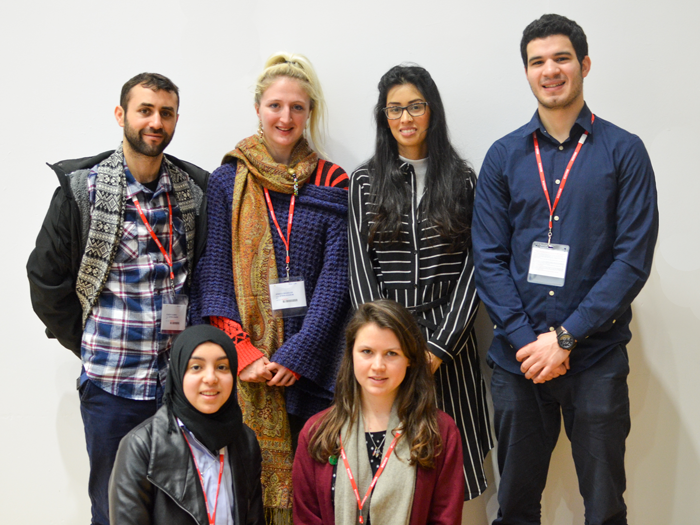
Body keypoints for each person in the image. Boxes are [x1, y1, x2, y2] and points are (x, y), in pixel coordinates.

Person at [472, 14, 658, 525]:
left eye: (561, 58)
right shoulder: (503, 156)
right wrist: (527, 341)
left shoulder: (625, 151)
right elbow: (488, 258)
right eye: (537, 62)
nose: (549, 70)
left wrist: (566, 338)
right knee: (514, 507)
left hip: (595, 357)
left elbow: (632, 260)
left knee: (604, 508)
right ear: (526, 72)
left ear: (585, 65)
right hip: (518, 362)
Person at [27, 73, 208, 525]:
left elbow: (203, 275)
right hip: (112, 386)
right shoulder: (82, 189)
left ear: (176, 119)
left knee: (179, 510)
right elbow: (45, 278)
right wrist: (87, 341)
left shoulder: (192, 191)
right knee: (114, 510)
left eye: (166, 113)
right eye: (145, 110)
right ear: (121, 114)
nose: (156, 122)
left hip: (177, 386)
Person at [190, 52, 350, 522]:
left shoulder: (333, 179)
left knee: (312, 495)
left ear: (310, 112)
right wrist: (242, 352)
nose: (286, 117)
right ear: (258, 108)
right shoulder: (228, 180)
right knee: (241, 495)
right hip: (245, 373)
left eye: (297, 107)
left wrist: (297, 356)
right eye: (276, 105)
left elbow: (337, 278)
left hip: (311, 368)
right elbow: (213, 272)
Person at [348, 64, 493, 499]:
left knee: (449, 474)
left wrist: (439, 348)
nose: (405, 118)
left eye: (415, 106)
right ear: (383, 116)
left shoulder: (463, 179)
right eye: (394, 109)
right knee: (388, 473)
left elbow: (476, 267)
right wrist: (388, 346)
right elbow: (360, 267)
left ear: (432, 111)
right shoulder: (364, 182)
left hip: (450, 344)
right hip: (387, 346)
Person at [292, 299, 464, 525]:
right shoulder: (316, 431)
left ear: (410, 359)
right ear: (351, 354)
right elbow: (306, 518)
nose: (378, 366)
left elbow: (445, 518)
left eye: (391, 353)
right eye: (367, 352)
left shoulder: (440, 431)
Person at [109, 324, 264, 525]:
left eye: (222, 367)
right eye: (196, 367)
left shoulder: (245, 440)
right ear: (178, 372)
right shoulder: (142, 445)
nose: (211, 378)